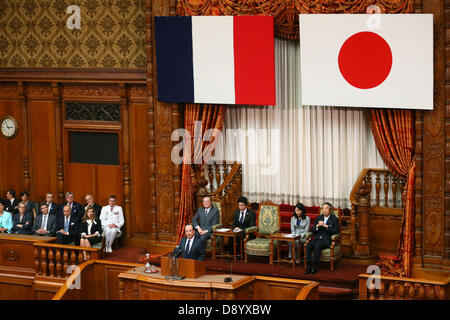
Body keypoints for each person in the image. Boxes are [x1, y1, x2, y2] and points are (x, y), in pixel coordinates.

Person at [305, 201, 339, 275]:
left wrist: (326, 226)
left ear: (330, 210)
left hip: (326, 239)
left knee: (318, 245)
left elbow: (336, 231)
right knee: (309, 246)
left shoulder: (334, 219)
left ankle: (314, 266)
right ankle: (308, 266)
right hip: (317, 238)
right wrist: (317, 226)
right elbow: (312, 230)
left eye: (326, 208)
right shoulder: (319, 218)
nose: (324, 210)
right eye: (323, 208)